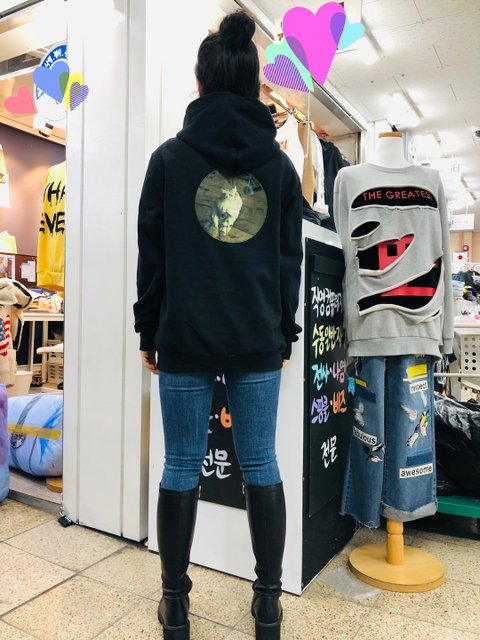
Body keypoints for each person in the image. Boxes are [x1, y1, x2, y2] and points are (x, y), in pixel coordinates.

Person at [134, 10, 303, 640]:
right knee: (261, 461)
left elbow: (153, 255)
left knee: (180, 463)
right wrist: (284, 331)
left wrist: (148, 330)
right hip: (256, 335)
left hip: (184, 331)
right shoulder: (280, 170)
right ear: (255, 86)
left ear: (200, 83)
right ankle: (268, 605)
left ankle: (175, 605)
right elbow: (289, 260)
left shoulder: (168, 160)